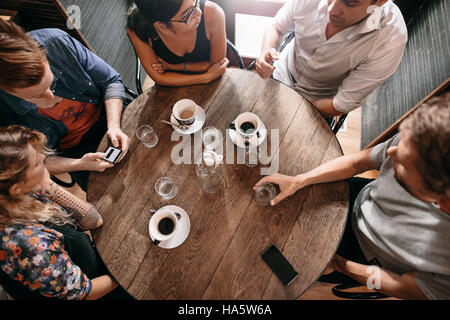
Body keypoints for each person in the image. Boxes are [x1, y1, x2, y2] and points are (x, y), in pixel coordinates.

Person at [254, 92, 450, 300]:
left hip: (358, 256)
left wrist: (341, 265)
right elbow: (359, 162)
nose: (391, 153)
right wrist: (300, 180)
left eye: (402, 163)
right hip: (358, 196)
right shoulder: (420, 142)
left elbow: (403, 287)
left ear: (443, 202)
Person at [0, 125, 133, 300]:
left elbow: (93, 220)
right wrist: (124, 273)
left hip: (83, 264)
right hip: (90, 287)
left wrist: (48, 185)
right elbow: (84, 292)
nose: (43, 158)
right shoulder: (33, 247)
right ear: (16, 188)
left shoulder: (19, 193)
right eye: (36, 162)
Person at [0, 20, 130, 191]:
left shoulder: (55, 42)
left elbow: (111, 81)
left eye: (50, 83)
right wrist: (80, 164)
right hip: (78, 151)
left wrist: (114, 126)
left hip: (112, 113)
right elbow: (32, 163)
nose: (51, 97)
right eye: (35, 96)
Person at [255, 0, 407, 119]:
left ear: (380, 1)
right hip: (280, 72)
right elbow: (277, 27)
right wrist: (266, 51)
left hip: (317, 103)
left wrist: (296, 110)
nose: (331, 10)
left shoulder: (390, 39)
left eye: (350, 2)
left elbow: (341, 103)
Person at [127, 0, 229, 88]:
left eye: (195, 1)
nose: (199, 12)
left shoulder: (213, 13)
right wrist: (206, 77)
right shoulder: (137, 28)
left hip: (214, 84)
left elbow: (217, 65)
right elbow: (159, 78)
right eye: (187, 15)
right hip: (170, 90)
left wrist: (174, 67)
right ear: (160, 25)